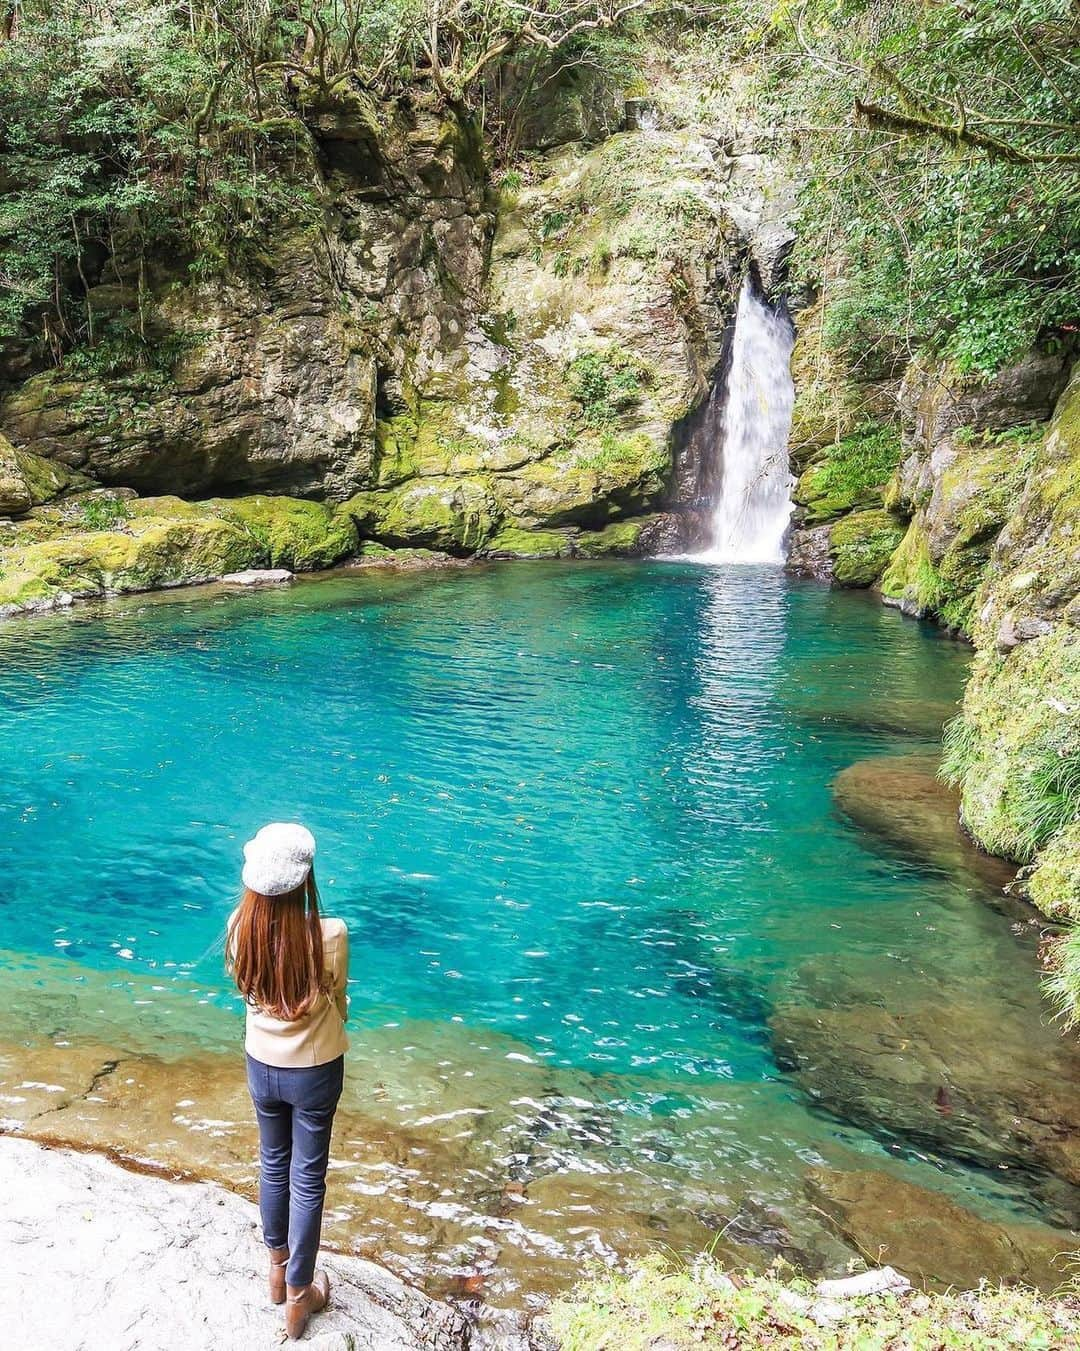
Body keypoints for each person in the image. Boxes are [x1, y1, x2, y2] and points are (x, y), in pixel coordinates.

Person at [226, 823, 349, 1340]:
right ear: (305, 880)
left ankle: (276, 1272)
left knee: (272, 1162)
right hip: (316, 1070)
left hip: (261, 1064)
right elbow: (339, 1000)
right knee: (307, 1179)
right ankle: (301, 1296)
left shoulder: (239, 926)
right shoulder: (330, 934)